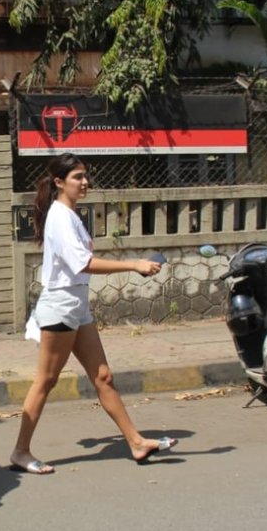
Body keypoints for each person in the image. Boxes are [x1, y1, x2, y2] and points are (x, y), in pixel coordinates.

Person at [10, 153, 178, 474]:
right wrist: (134, 264)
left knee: (103, 377)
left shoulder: (70, 215)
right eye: (77, 177)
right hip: (60, 307)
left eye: (85, 176)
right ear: (59, 182)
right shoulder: (60, 217)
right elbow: (82, 264)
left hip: (77, 305)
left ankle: (136, 442)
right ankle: (20, 451)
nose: (84, 182)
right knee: (45, 381)